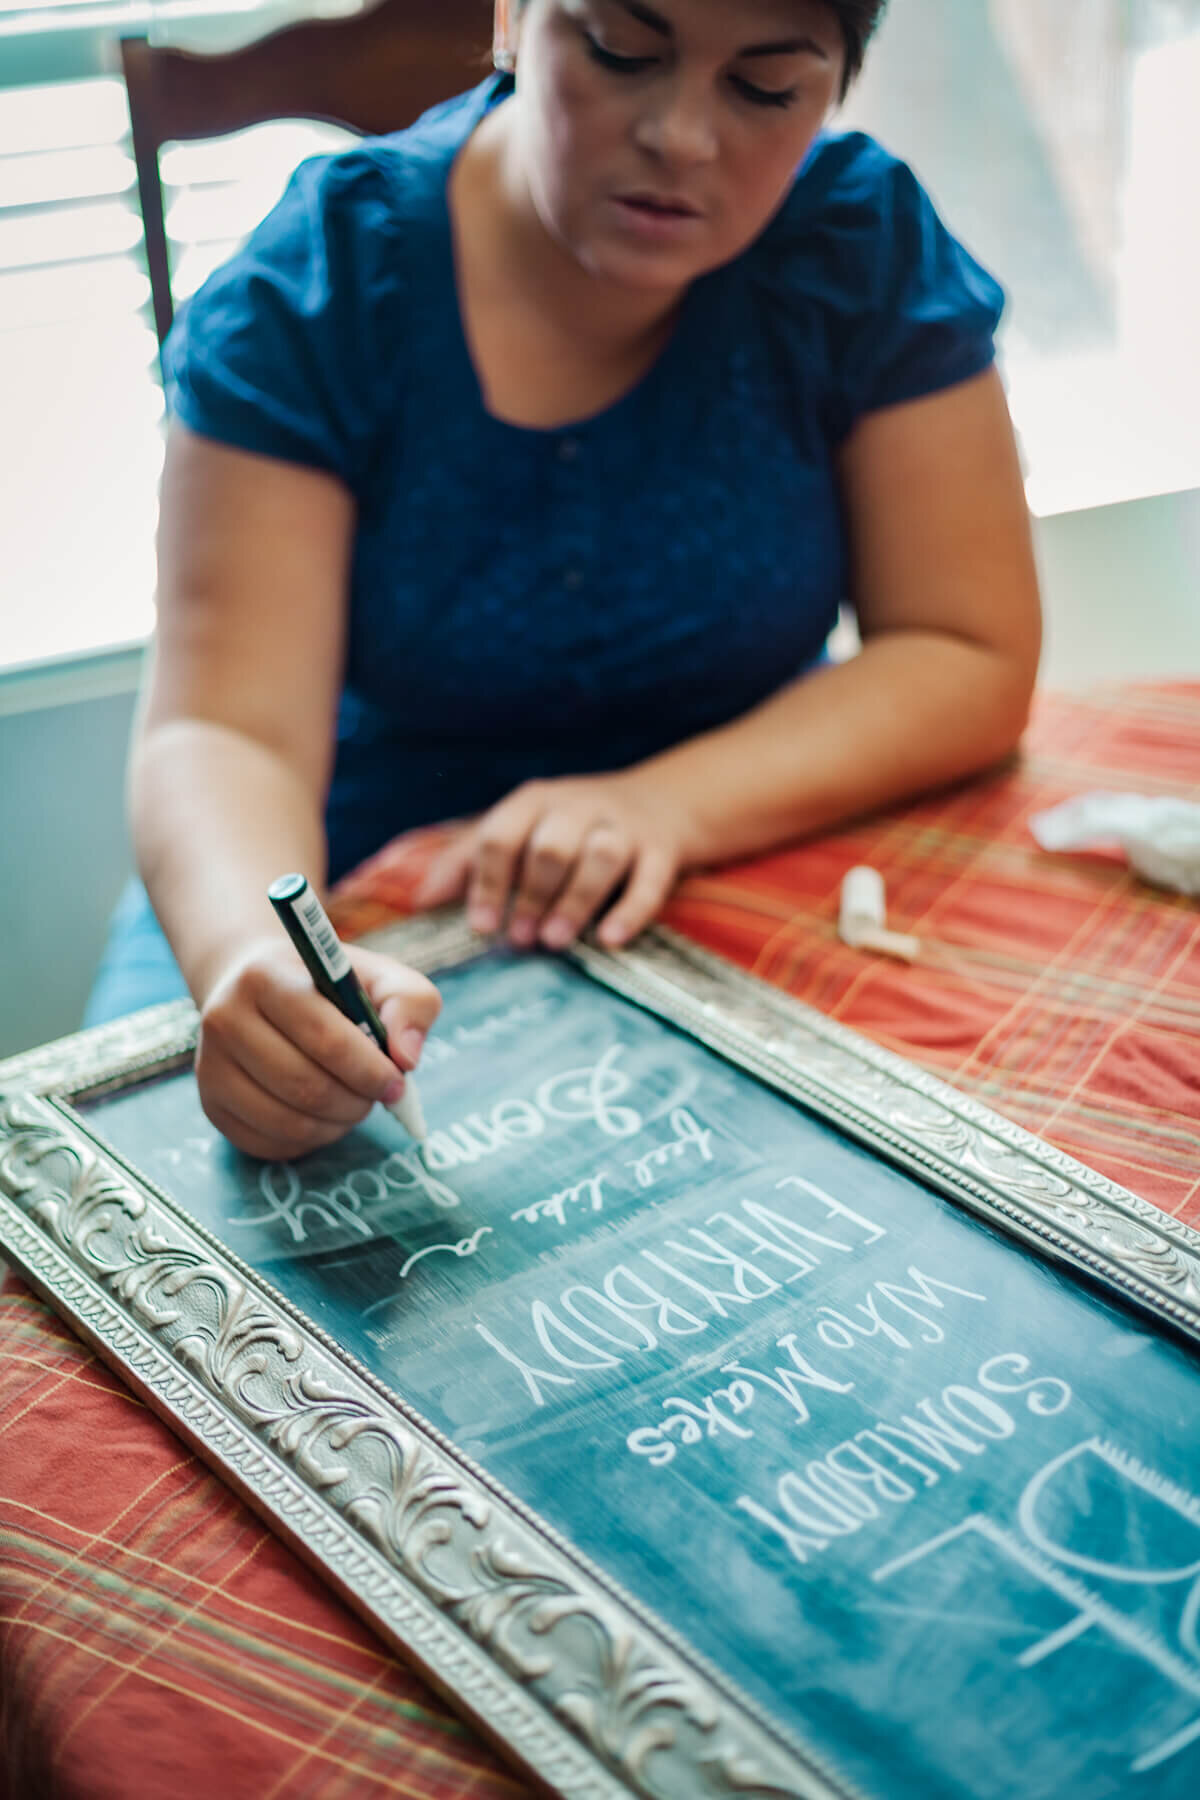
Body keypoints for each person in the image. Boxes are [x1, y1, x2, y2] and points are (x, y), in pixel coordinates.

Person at [89, 0, 1041, 1162]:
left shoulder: (856, 240)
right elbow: (224, 730)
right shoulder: (324, 282)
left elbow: (965, 649)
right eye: (621, 52)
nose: (683, 138)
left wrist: (660, 805)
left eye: (765, 88)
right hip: (321, 886)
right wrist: (256, 958)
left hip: (736, 833)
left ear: (838, 82)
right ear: (513, 18)